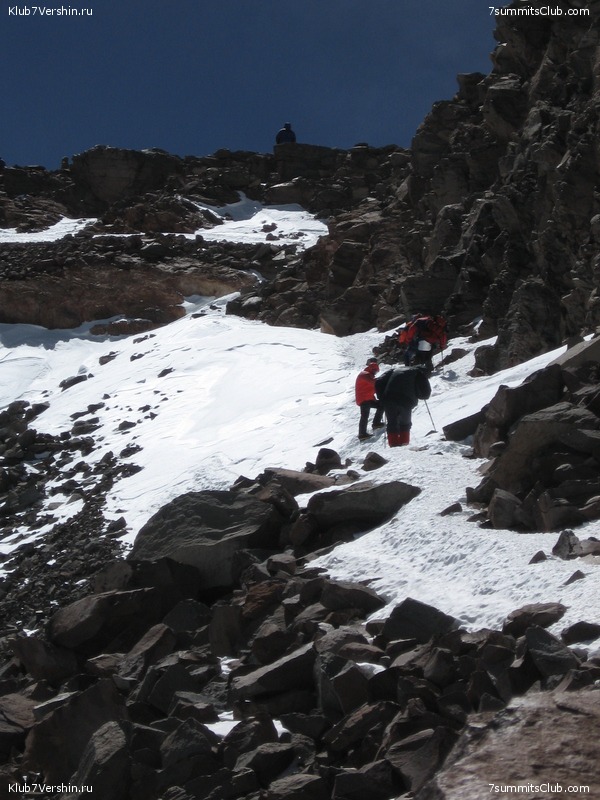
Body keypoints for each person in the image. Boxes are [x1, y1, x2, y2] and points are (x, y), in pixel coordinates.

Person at [375, 365, 431, 447]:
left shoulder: (394, 370)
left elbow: (379, 381)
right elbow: (425, 392)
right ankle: (404, 445)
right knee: (405, 424)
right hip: (406, 400)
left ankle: (393, 445)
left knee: (392, 423)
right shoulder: (418, 372)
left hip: (389, 398)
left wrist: (382, 397)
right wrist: (422, 395)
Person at [355, 358, 385, 441]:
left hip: (368, 399)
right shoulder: (364, 374)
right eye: (375, 371)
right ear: (372, 369)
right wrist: (383, 380)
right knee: (365, 416)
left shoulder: (369, 375)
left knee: (381, 405)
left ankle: (376, 423)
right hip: (364, 399)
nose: (376, 373)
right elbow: (373, 383)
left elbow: (372, 389)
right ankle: (362, 434)